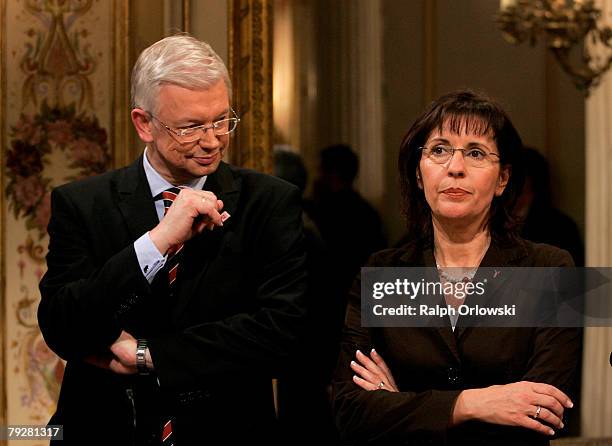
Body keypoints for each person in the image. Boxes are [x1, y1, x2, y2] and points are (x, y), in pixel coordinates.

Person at [38, 35, 307, 445]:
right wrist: (157, 241)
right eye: (191, 127)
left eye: (221, 120)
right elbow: (62, 326)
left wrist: (151, 355)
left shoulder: (270, 202)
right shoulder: (81, 204)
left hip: (227, 431)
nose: (212, 139)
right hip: (105, 428)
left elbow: (282, 332)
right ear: (144, 124)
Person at [332, 90, 581, 445]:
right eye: (439, 150)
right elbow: (350, 411)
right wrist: (475, 403)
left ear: (503, 179)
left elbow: (544, 412)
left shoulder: (552, 269)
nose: (455, 167)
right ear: (419, 176)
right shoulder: (381, 272)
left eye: (476, 153)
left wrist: (399, 403)